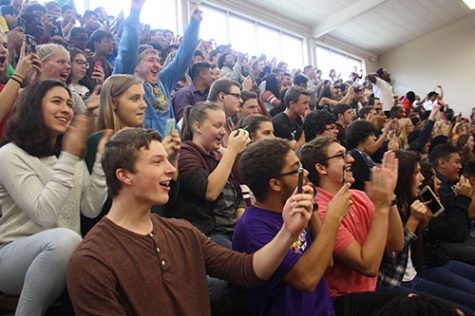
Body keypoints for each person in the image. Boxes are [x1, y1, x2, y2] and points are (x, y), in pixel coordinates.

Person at [67, 127, 315, 315]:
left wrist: (288, 232)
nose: (172, 170)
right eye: (157, 162)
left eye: (167, 160)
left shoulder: (182, 231)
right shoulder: (92, 260)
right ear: (124, 175)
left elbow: (247, 270)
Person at [0, 80, 108, 315]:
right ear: (33, 107)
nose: (66, 109)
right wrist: (70, 155)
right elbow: (44, 214)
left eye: (69, 104)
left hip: (65, 255)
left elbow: (90, 208)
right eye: (56, 101)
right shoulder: (10, 154)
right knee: (65, 241)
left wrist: (100, 161)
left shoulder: (69, 154)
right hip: (12, 255)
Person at [233, 137, 351, 315]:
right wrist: (334, 216)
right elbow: (306, 280)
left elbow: (326, 261)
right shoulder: (253, 228)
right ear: (275, 184)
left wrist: (313, 210)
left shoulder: (293, 208)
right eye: (297, 169)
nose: (306, 174)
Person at [300, 137, 404, 298]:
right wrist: (382, 206)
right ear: (321, 168)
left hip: (370, 291)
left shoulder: (358, 196)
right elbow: (368, 266)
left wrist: (389, 196)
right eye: (341, 155)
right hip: (341, 299)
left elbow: (396, 243)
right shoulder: (319, 209)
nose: (351, 159)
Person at [81, 74, 181, 236]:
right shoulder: (98, 142)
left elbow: (169, 202)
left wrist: (172, 159)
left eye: (143, 98)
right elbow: (100, 204)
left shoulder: (151, 140)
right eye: (135, 99)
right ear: (113, 103)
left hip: (153, 230)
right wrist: (149, 161)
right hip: (116, 235)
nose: (143, 105)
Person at [379, 150, 475, 314]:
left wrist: (426, 223)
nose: (422, 179)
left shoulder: (413, 201)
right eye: (417, 173)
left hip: (419, 272)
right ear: (403, 177)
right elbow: (392, 255)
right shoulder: (387, 209)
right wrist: (414, 221)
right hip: (401, 281)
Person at [113, 0, 202, 136]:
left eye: (158, 61)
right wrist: (135, 13)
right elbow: (128, 50)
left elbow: (183, 57)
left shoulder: (163, 81)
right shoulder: (126, 80)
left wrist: (194, 25)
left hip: (170, 148)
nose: (157, 65)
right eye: (150, 60)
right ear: (135, 66)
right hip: (141, 147)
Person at [169, 102, 248, 247]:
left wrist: (242, 227)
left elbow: (239, 195)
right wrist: (231, 151)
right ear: (198, 127)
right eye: (217, 126)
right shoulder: (185, 154)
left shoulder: (217, 155)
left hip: (230, 229)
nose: (224, 132)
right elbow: (210, 192)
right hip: (206, 234)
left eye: (224, 126)